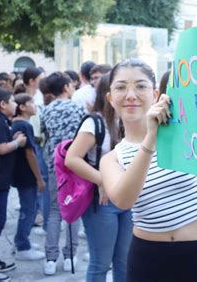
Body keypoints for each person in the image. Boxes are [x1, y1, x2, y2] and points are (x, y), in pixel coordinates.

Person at [99, 59, 197, 282]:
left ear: (156, 93)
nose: (131, 94)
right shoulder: (112, 159)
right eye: (121, 87)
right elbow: (124, 199)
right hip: (148, 260)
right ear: (110, 98)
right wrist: (150, 139)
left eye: (140, 86)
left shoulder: (188, 139)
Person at [65, 74, 132, 281]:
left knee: (125, 260)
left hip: (127, 198)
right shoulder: (94, 122)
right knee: (101, 263)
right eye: (121, 88)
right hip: (101, 201)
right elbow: (72, 159)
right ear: (108, 94)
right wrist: (103, 179)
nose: (129, 95)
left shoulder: (127, 119)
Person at [40, 72, 87, 275]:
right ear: (67, 87)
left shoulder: (46, 110)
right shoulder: (79, 108)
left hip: (54, 165)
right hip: (76, 165)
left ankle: (50, 259)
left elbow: (45, 135)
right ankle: (70, 256)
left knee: (54, 210)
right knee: (73, 210)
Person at [0, 88, 27, 282]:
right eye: (12, 101)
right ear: (2, 104)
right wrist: (17, 142)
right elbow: (1, 149)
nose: (15, 104)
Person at [11, 93, 46, 261]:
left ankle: (23, 240)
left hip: (20, 174)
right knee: (29, 209)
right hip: (26, 175)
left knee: (29, 208)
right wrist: (39, 178)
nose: (35, 104)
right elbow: (30, 154)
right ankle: (22, 246)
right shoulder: (24, 125)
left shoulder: (18, 124)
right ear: (22, 107)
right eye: (31, 102)